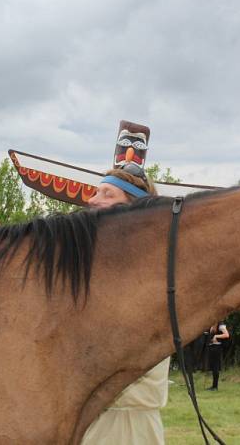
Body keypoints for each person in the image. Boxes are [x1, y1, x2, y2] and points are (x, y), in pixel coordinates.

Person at [81, 163, 169, 445]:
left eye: (107, 194)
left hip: (127, 425)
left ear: (132, 208)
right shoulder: (101, 267)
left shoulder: (149, 271)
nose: (93, 200)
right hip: (89, 418)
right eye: (96, 192)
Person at [206, 321, 230, 391]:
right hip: (212, 347)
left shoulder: (220, 325)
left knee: (215, 367)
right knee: (214, 368)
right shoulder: (212, 324)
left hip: (217, 348)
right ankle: (213, 386)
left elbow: (227, 335)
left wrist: (216, 336)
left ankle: (215, 387)